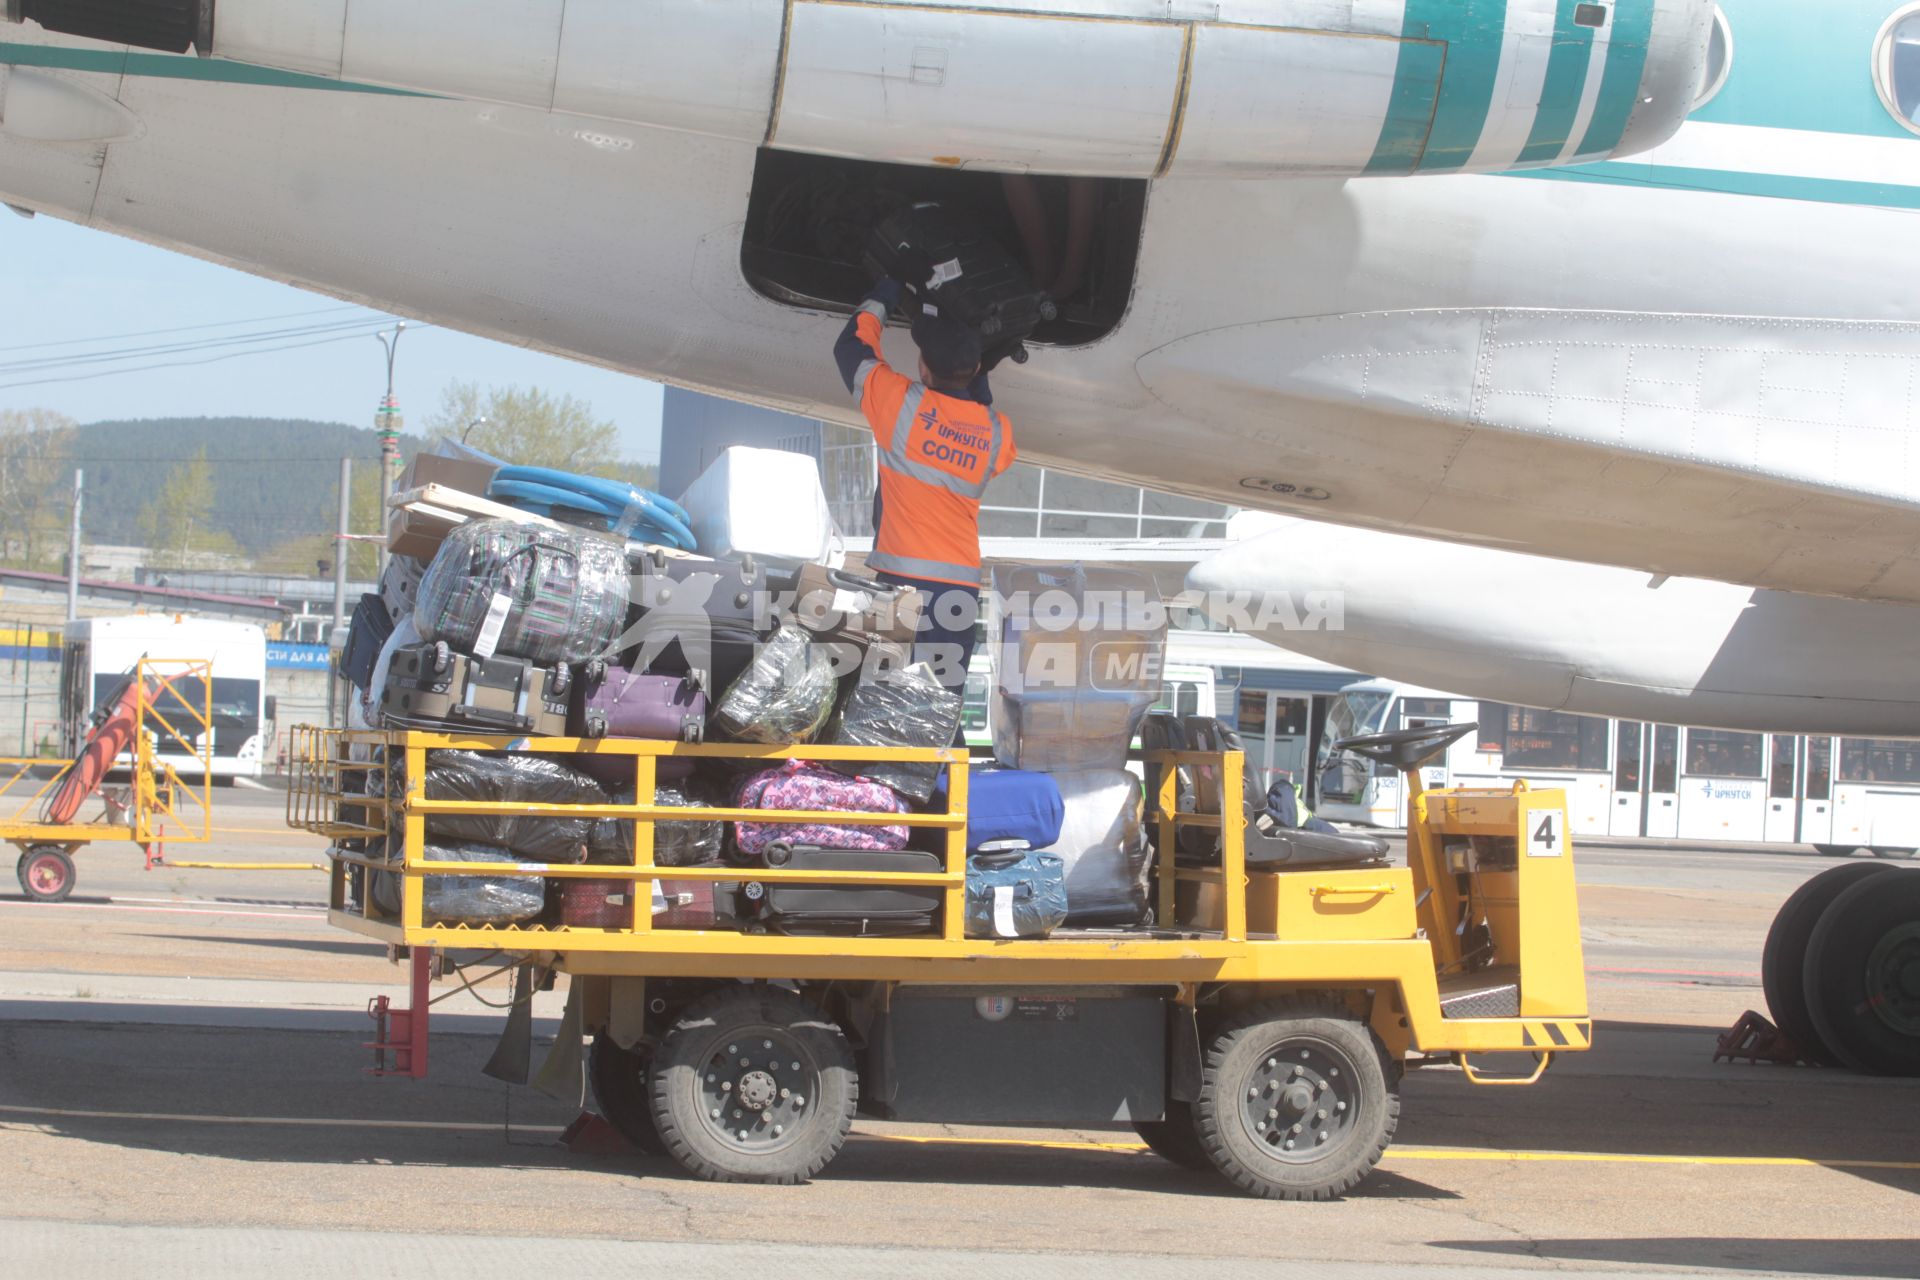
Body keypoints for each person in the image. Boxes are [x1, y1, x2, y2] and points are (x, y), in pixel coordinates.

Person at [833, 277, 1016, 719]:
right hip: (959, 590)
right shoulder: (996, 432)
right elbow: (981, 422)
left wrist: (884, 295)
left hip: (899, 585)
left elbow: (850, 350)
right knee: (938, 707)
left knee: (882, 705)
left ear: (922, 366)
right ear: (972, 371)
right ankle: (940, 785)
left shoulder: (899, 404)